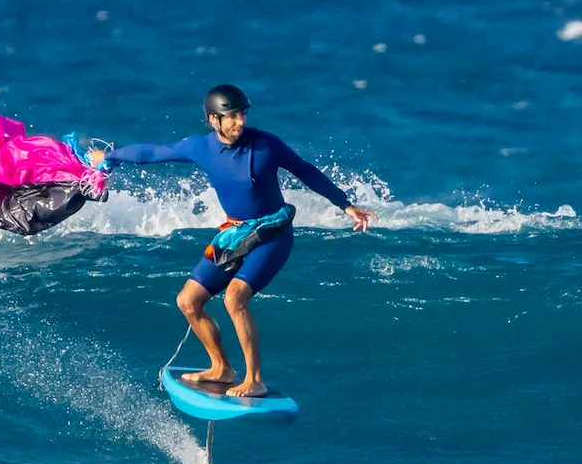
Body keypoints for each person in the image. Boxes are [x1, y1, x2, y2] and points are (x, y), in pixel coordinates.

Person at [95, 85, 374, 398]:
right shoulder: (200, 147)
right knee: (188, 301)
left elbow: (306, 172)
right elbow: (153, 153)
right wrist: (110, 157)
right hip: (236, 233)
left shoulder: (266, 145)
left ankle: (255, 379)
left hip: (272, 234)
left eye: (242, 113)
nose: (240, 121)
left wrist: (345, 204)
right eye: (232, 116)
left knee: (234, 297)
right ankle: (221, 368)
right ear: (214, 120)